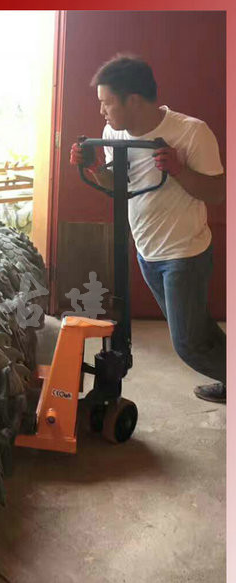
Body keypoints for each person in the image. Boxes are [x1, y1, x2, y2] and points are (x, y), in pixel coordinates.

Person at [70, 54, 226, 403]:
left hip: (184, 254)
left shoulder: (191, 132)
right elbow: (119, 185)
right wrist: (94, 168)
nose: (101, 111)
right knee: (199, 331)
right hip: (147, 252)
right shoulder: (113, 132)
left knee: (188, 344)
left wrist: (179, 170)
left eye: (107, 102)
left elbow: (217, 193)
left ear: (134, 100)